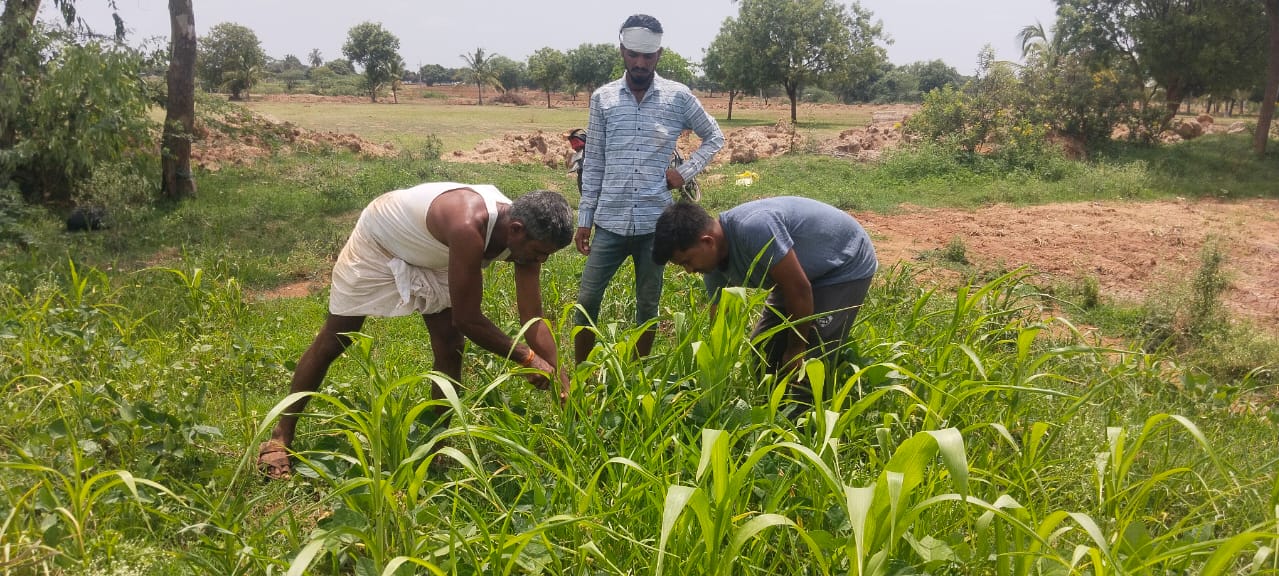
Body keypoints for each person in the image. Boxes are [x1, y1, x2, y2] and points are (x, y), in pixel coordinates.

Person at [257, 183, 575, 479]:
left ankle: (436, 446)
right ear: (516, 230)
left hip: (433, 253)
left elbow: (533, 318)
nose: (541, 260)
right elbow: (467, 318)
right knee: (337, 339)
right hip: (383, 240)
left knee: (450, 345)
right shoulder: (469, 226)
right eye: (539, 253)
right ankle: (280, 436)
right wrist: (527, 357)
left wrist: (559, 373)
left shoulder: (526, 238)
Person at [574, 13, 724, 364]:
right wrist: (585, 217)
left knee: (648, 305)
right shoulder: (603, 98)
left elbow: (714, 136)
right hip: (608, 222)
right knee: (587, 300)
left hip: (654, 227)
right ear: (622, 51)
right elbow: (593, 160)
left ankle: (637, 375)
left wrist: (685, 172)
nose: (640, 63)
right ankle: (580, 376)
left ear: (659, 55)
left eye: (648, 56)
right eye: (633, 55)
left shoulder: (678, 97)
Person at [652, 198, 878, 405]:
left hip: (842, 263)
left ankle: (802, 428)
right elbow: (721, 320)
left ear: (707, 241)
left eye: (687, 261)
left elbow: (799, 289)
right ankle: (770, 409)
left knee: (810, 355)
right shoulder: (711, 265)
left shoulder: (754, 228)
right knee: (762, 344)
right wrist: (716, 374)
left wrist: (796, 349)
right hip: (796, 274)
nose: (690, 271)